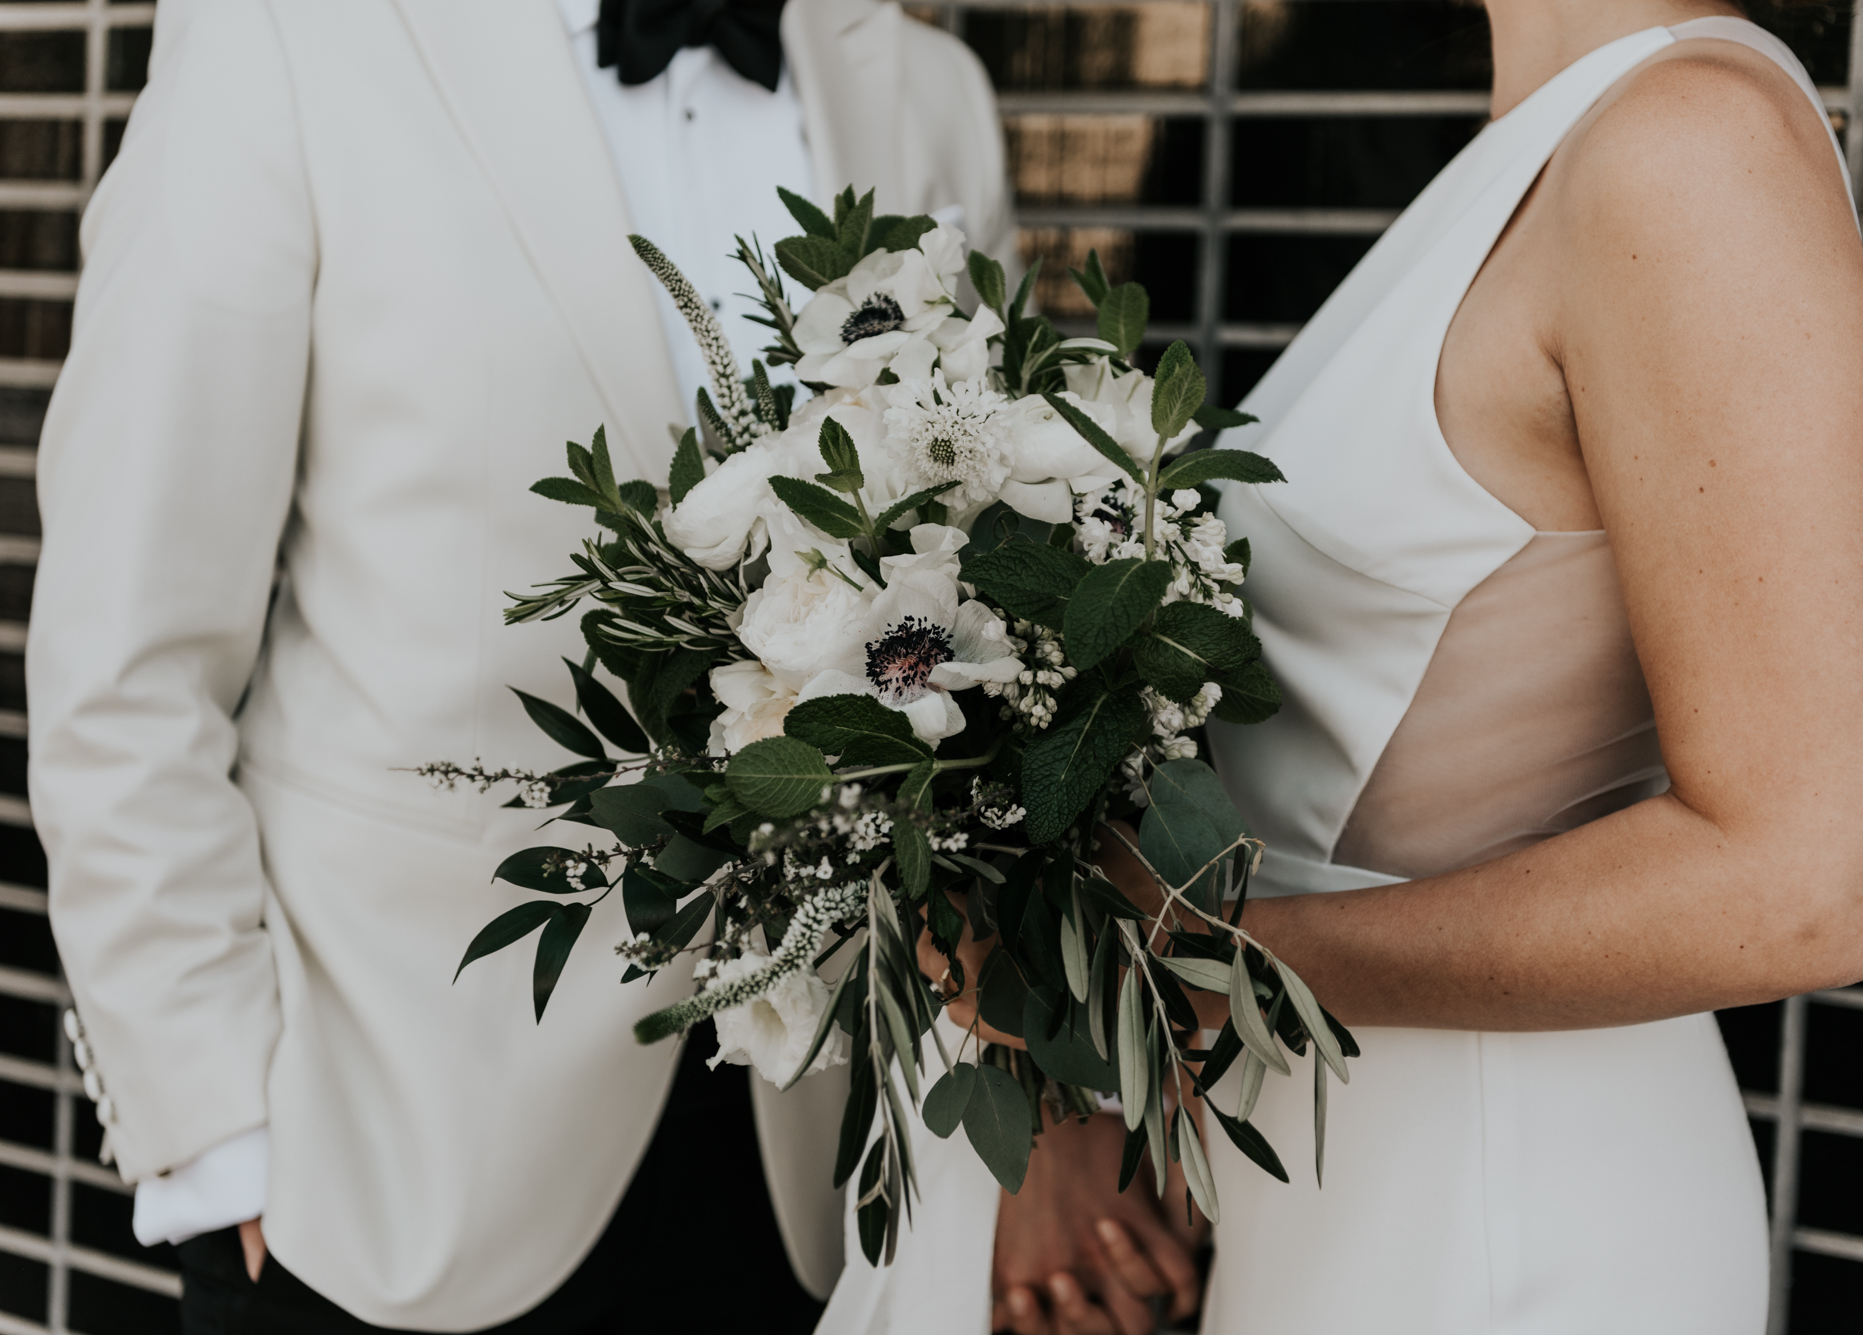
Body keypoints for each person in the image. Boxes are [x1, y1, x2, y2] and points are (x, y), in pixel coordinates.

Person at [25, 0, 1100, 1329]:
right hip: (384, 1158)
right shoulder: (287, 38)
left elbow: (985, 606)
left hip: (796, 1171)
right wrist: (208, 1126)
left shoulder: (923, 85)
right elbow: (127, 644)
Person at [934, 1, 1863, 1331]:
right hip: (1356, 1164)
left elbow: (1807, 884)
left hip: (1506, 1198)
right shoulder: (1541, 139)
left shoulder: (1690, 148)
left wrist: (1213, 963)